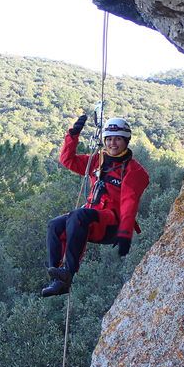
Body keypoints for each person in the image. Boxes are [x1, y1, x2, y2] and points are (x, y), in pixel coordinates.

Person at [41, 114, 150, 297]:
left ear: (126, 141)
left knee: (79, 214)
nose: (112, 144)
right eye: (109, 139)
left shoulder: (134, 171)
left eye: (117, 139)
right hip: (92, 219)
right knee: (55, 225)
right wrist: (73, 135)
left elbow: (130, 202)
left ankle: (68, 271)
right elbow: (68, 160)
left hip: (113, 225)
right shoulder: (98, 161)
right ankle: (58, 279)